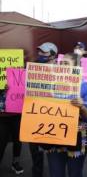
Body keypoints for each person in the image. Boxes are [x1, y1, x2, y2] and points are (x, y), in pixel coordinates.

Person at [45, 53, 87, 177]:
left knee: (75, 173)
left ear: (76, 68)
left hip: (76, 138)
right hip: (54, 137)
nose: (62, 67)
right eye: (60, 64)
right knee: (55, 173)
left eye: (66, 64)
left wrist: (82, 107)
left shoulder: (85, 87)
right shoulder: (50, 85)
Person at [30, 42, 58, 177]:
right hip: (35, 116)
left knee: (54, 155)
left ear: (53, 55)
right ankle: (37, 172)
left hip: (54, 118)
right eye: (39, 51)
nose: (40, 54)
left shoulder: (63, 71)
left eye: (44, 52)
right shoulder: (31, 68)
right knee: (35, 151)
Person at [0, 87, 24, 174]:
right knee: (2, 141)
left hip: (17, 112)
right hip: (2, 114)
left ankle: (15, 163)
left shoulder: (22, 72)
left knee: (18, 140)